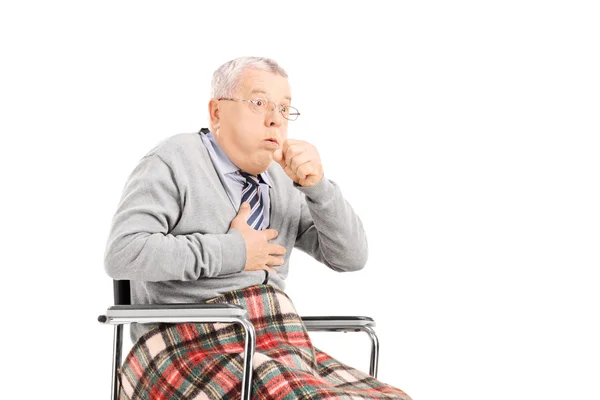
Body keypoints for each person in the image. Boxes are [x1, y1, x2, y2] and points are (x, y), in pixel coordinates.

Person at [104, 56, 411, 399]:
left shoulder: (282, 179)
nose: (274, 120)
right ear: (217, 112)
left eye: (284, 109)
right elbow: (123, 253)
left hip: (278, 341)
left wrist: (317, 187)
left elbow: (351, 257)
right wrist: (235, 251)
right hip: (185, 343)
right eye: (259, 103)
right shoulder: (174, 159)